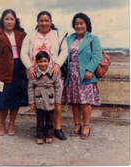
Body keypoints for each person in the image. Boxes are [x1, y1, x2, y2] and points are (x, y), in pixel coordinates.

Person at [20, 11, 68, 140]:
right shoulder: (30, 36)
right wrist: (30, 66)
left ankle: (57, 128)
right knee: (38, 100)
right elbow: (23, 53)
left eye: (47, 20)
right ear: (37, 22)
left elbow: (64, 51)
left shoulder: (58, 35)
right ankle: (40, 129)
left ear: (51, 22)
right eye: (41, 20)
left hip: (53, 73)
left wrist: (57, 64)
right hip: (36, 74)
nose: (44, 23)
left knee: (55, 101)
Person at [62, 12, 102, 140]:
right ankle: (77, 125)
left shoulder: (93, 38)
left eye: (81, 23)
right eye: (76, 24)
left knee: (85, 102)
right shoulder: (69, 38)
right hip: (71, 74)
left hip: (85, 75)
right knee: (74, 102)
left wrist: (90, 70)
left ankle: (86, 126)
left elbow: (97, 56)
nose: (79, 26)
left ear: (87, 25)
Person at [0, 9, 28, 136]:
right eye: (6, 19)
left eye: (11, 19)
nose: (9, 21)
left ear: (15, 21)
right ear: (2, 20)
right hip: (3, 70)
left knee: (16, 98)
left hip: (19, 69)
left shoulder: (21, 34)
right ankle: (2, 124)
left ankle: (12, 124)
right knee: (3, 99)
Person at [28, 51, 61, 144]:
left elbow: (58, 87)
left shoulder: (53, 73)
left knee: (50, 119)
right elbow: (30, 88)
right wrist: (32, 102)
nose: (43, 64)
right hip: (39, 100)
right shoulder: (34, 74)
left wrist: (57, 100)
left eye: (45, 61)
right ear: (36, 62)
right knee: (40, 119)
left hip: (50, 100)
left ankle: (49, 135)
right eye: (40, 62)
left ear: (49, 62)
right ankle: (40, 136)